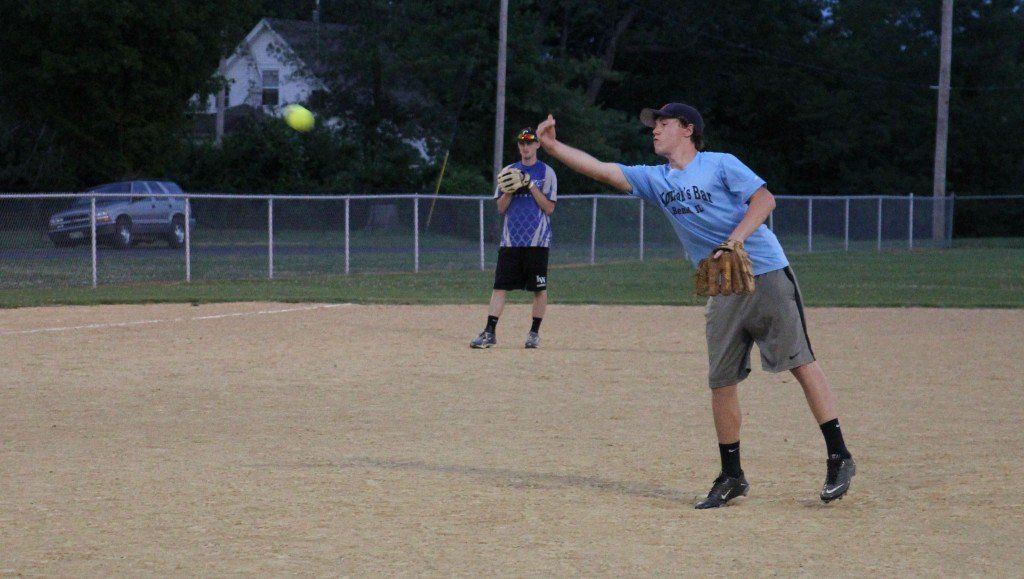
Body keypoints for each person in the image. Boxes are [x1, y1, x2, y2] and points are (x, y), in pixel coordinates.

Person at [534, 104, 855, 508]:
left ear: (687, 130)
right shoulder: (655, 179)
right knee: (721, 381)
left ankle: (839, 455)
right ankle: (732, 475)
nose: (655, 131)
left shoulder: (720, 164)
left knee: (800, 362)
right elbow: (600, 168)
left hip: (764, 272)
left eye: (663, 124)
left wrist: (734, 240)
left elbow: (764, 201)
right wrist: (551, 145)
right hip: (722, 286)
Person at [470, 128, 557, 349]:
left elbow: (548, 208)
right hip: (510, 241)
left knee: (539, 289)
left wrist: (529, 185)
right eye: (521, 143)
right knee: (499, 287)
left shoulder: (547, 173)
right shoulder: (508, 171)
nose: (525, 147)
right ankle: (490, 332)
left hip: (537, 242)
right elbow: (500, 208)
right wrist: (511, 188)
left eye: (529, 143)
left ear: (538, 145)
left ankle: (534, 333)